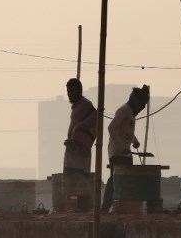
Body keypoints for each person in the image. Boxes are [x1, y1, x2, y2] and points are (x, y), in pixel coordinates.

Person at [100, 85, 149, 212]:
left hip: (125, 153)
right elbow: (111, 128)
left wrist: (135, 141)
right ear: (136, 101)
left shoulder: (130, 113)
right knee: (115, 180)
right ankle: (105, 207)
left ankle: (121, 207)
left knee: (126, 180)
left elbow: (126, 131)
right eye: (142, 105)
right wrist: (121, 147)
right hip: (117, 153)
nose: (142, 108)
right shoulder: (124, 110)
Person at [63, 78, 97, 210]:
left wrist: (78, 129)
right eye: (68, 91)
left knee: (81, 178)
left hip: (81, 149)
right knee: (73, 179)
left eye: (72, 91)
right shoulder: (77, 106)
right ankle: (77, 206)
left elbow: (95, 116)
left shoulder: (86, 104)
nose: (69, 94)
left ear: (79, 91)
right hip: (73, 148)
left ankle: (83, 207)